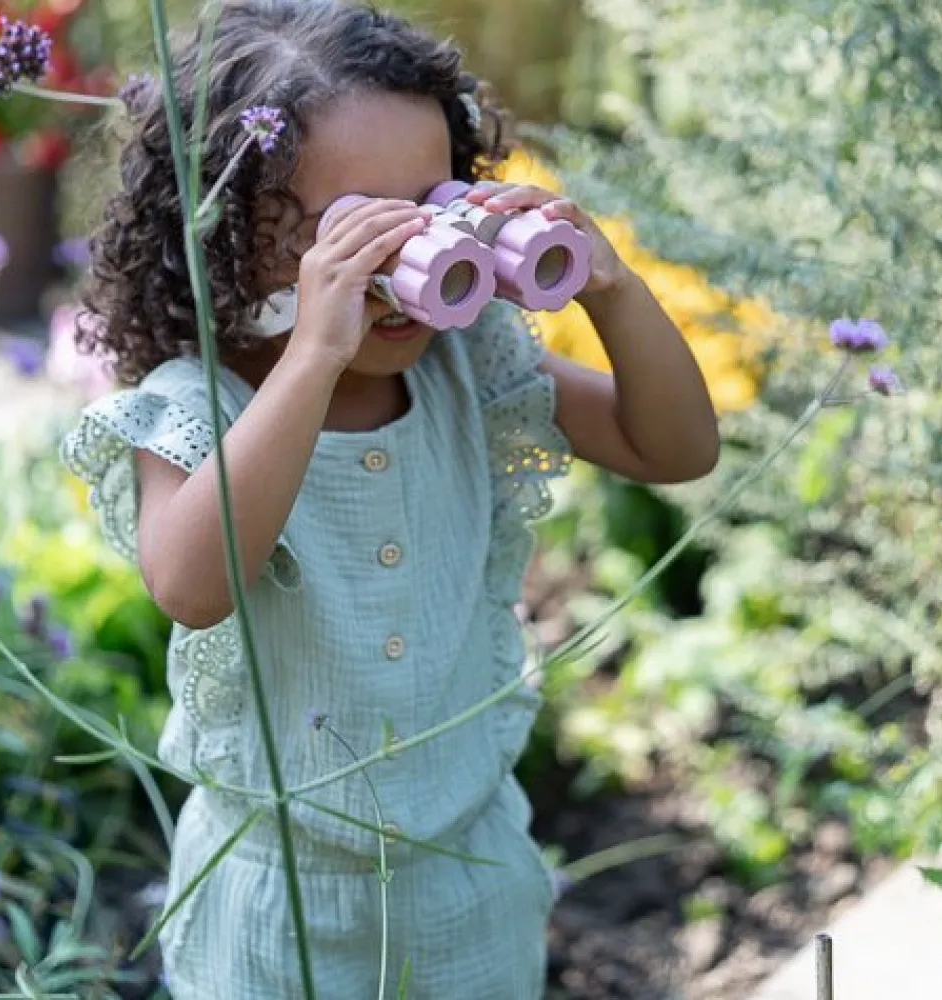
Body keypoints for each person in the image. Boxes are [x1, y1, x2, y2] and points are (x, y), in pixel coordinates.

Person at [61, 1, 719, 996]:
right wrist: (315, 356)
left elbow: (673, 447)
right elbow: (193, 586)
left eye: (433, 205)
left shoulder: (470, 365)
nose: (408, 263)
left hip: (470, 879)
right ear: (227, 234)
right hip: (277, 901)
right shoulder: (197, 408)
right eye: (358, 229)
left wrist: (609, 288)